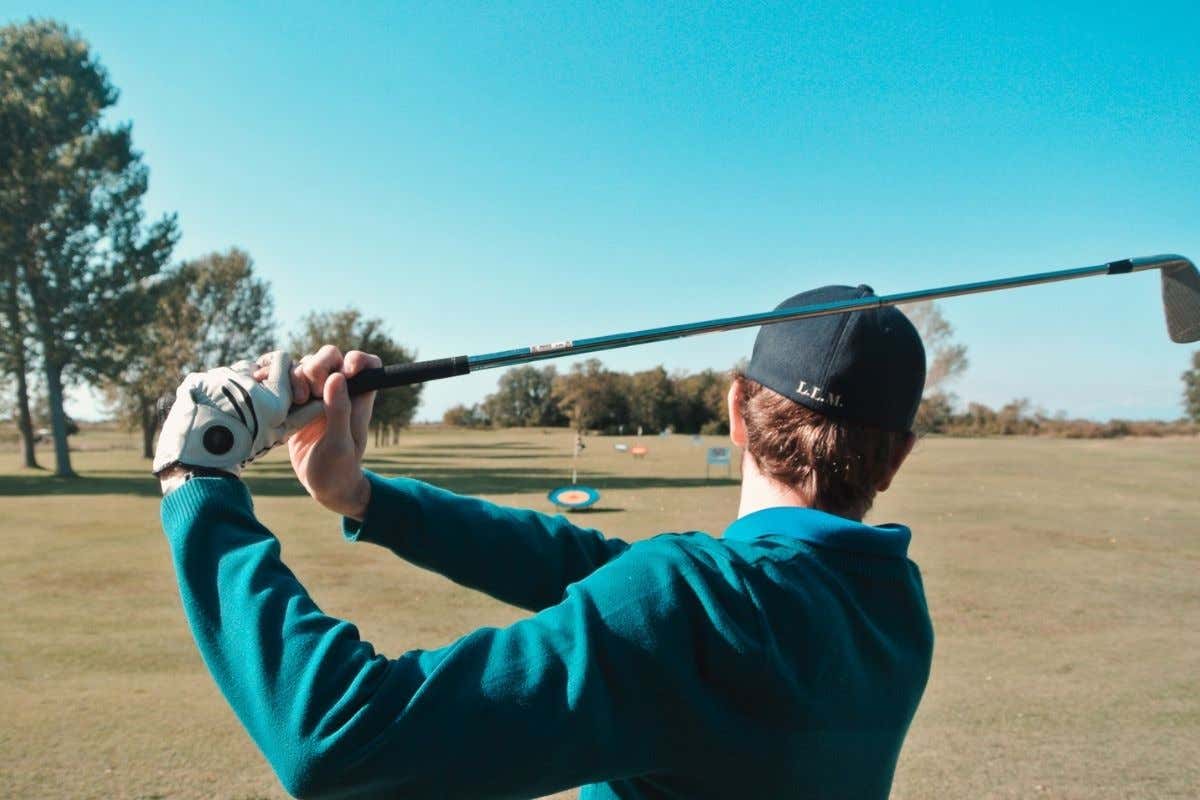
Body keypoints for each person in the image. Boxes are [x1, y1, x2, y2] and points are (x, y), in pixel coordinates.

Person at [153, 285, 933, 799]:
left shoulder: (696, 605)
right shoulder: (893, 606)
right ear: (897, 456)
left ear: (735, 413)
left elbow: (335, 735)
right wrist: (362, 497)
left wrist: (198, 476)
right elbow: (596, 571)